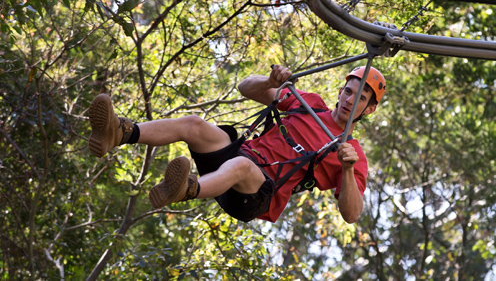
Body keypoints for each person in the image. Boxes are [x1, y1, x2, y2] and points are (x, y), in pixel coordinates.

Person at [86, 65, 385, 223]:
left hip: (255, 193)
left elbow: (352, 214)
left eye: (360, 98)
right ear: (341, 90)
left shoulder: (351, 153)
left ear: (369, 109)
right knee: (194, 124)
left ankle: (186, 188)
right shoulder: (309, 104)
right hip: (236, 158)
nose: (349, 100)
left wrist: (347, 170)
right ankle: (119, 132)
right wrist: (270, 81)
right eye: (348, 91)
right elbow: (245, 87)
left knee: (241, 166)